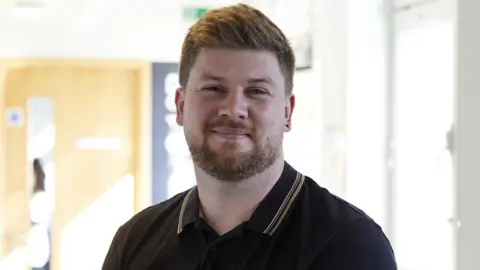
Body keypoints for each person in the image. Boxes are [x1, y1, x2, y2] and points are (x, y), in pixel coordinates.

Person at [102, 4, 397, 269]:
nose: (234, 109)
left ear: (287, 112)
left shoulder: (349, 246)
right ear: (180, 106)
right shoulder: (135, 241)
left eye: (256, 91)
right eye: (214, 88)